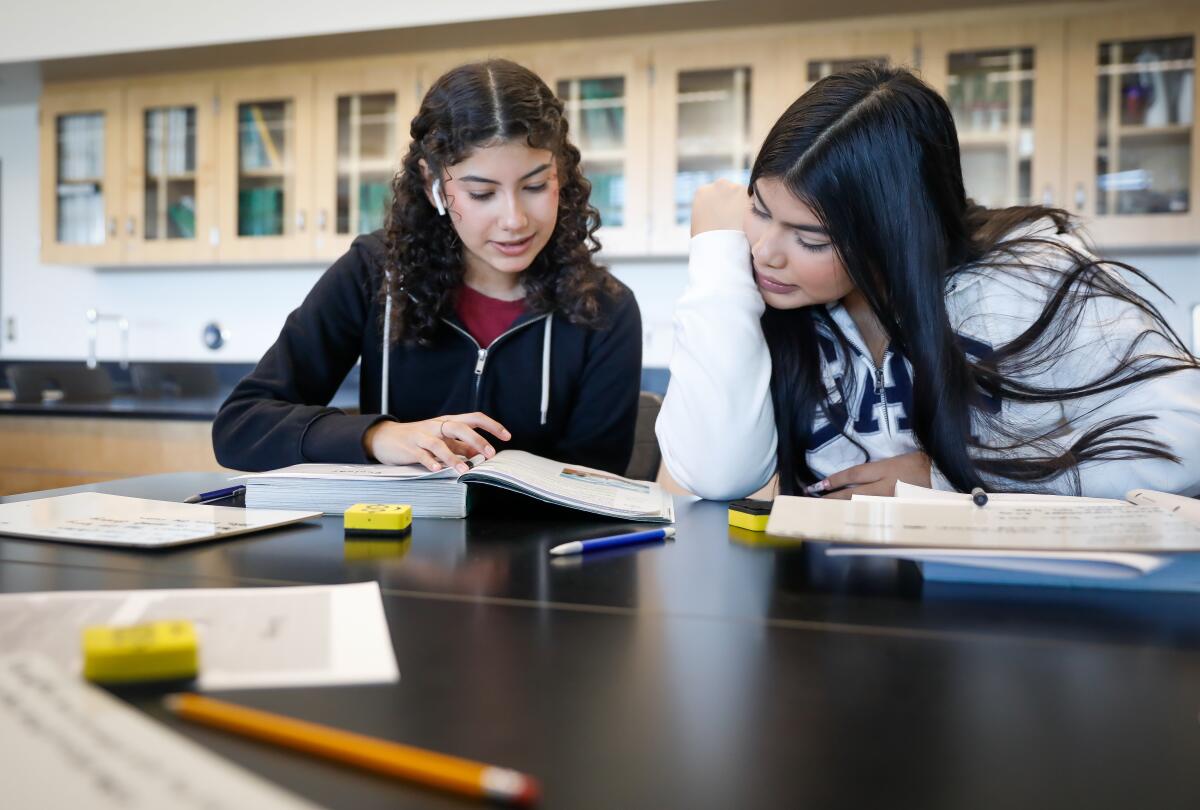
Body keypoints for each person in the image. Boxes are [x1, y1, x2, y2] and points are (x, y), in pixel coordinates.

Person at [656, 64, 1200, 501]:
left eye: (812, 240)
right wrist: (715, 260)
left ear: (892, 232)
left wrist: (954, 483)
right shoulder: (760, 285)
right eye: (758, 210)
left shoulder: (1023, 281)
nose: (764, 252)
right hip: (840, 606)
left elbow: (1186, 445)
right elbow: (719, 475)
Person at [214, 59, 642, 475]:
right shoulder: (375, 273)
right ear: (431, 183)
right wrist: (378, 437)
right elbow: (241, 425)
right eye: (481, 194)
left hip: (540, 548)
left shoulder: (605, 309)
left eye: (534, 185)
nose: (514, 219)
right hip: (394, 543)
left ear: (561, 176)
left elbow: (596, 487)